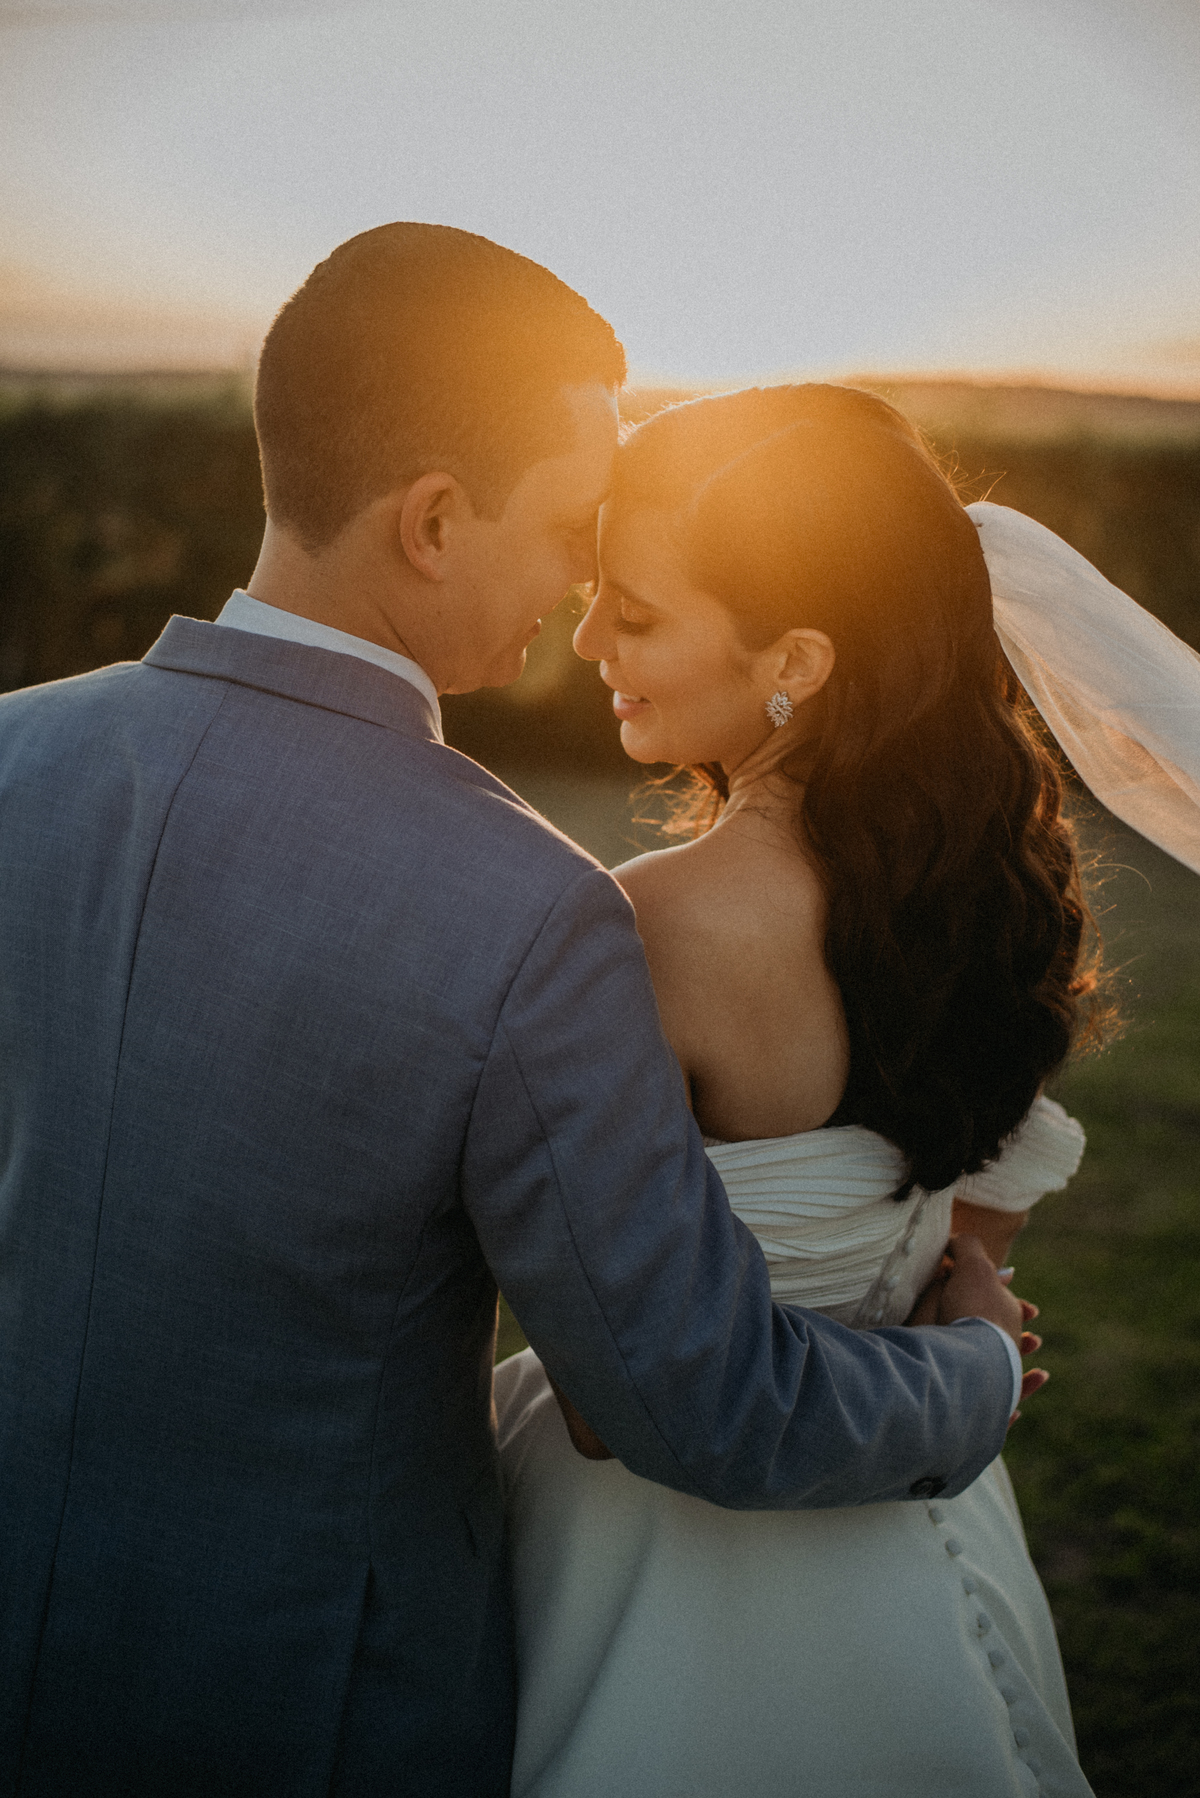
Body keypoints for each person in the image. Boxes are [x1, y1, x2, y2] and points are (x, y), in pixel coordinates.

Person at [0, 230, 1026, 1797]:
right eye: (565, 529)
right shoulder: (527, 906)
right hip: (321, 1702)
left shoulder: (13, 760)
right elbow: (692, 1394)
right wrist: (975, 1369)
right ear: (429, 522)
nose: (577, 589)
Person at [494, 384, 1105, 1797]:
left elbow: (610, 1398)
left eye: (634, 614)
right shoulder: (977, 894)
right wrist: (968, 1338)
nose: (586, 642)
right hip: (921, 1547)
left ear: (800, 655)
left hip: (653, 1571)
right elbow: (968, 1241)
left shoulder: (648, 924)